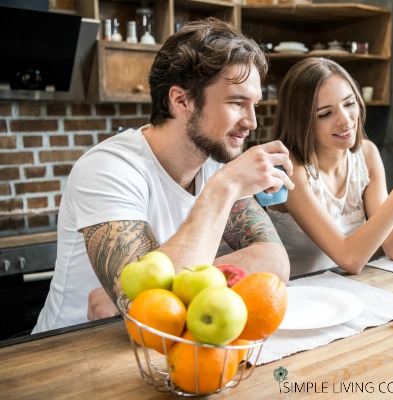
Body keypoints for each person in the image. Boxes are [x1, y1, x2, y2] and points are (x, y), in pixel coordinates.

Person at [32, 18, 294, 333]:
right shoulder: (108, 168)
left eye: (254, 104)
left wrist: (150, 292)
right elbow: (143, 311)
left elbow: (275, 264)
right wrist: (226, 186)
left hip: (158, 347)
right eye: (237, 103)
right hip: (70, 350)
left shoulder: (214, 163)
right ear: (181, 100)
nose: (251, 121)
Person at [267, 58, 393, 277]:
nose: (345, 120)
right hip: (299, 297)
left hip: (350, 291)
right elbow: (350, 259)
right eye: (325, 113)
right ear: (300, 121)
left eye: (349, 103)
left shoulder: (367, 154)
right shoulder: (290, 169)